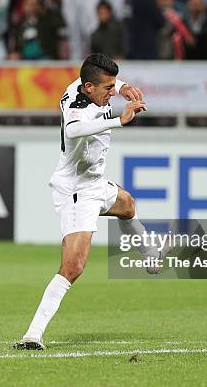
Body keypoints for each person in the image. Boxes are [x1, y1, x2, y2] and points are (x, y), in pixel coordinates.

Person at [13, 53, 158, 350]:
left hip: (94, 182)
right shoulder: (79, 110)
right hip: (77, 191)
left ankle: (149, 253)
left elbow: (104, 82)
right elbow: (73, 130)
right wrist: (119, 119)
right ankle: (33, 334)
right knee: (73, 267)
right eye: (107, 89)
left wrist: (124, 86)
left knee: (127, 204)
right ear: (90, 88)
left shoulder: (81, 84)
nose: (111, 93)